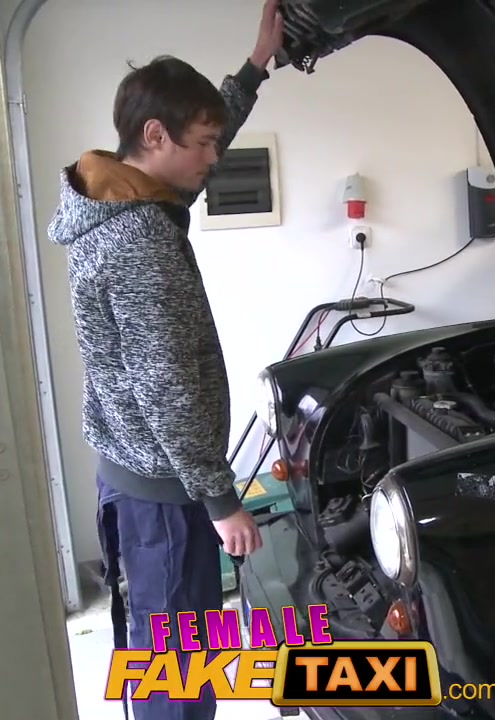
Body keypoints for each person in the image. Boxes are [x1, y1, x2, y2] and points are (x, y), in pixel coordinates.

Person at [46, 2, 285, 718]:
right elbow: (167, 386)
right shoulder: (141, 240)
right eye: (204, 144)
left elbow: (197, 151)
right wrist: (222, 501)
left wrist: (255, 68)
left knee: (156, 651)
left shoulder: (111, 195)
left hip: (132, 472)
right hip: (166, 491)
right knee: (180, 666)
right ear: (156, 136)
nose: (214, 158)